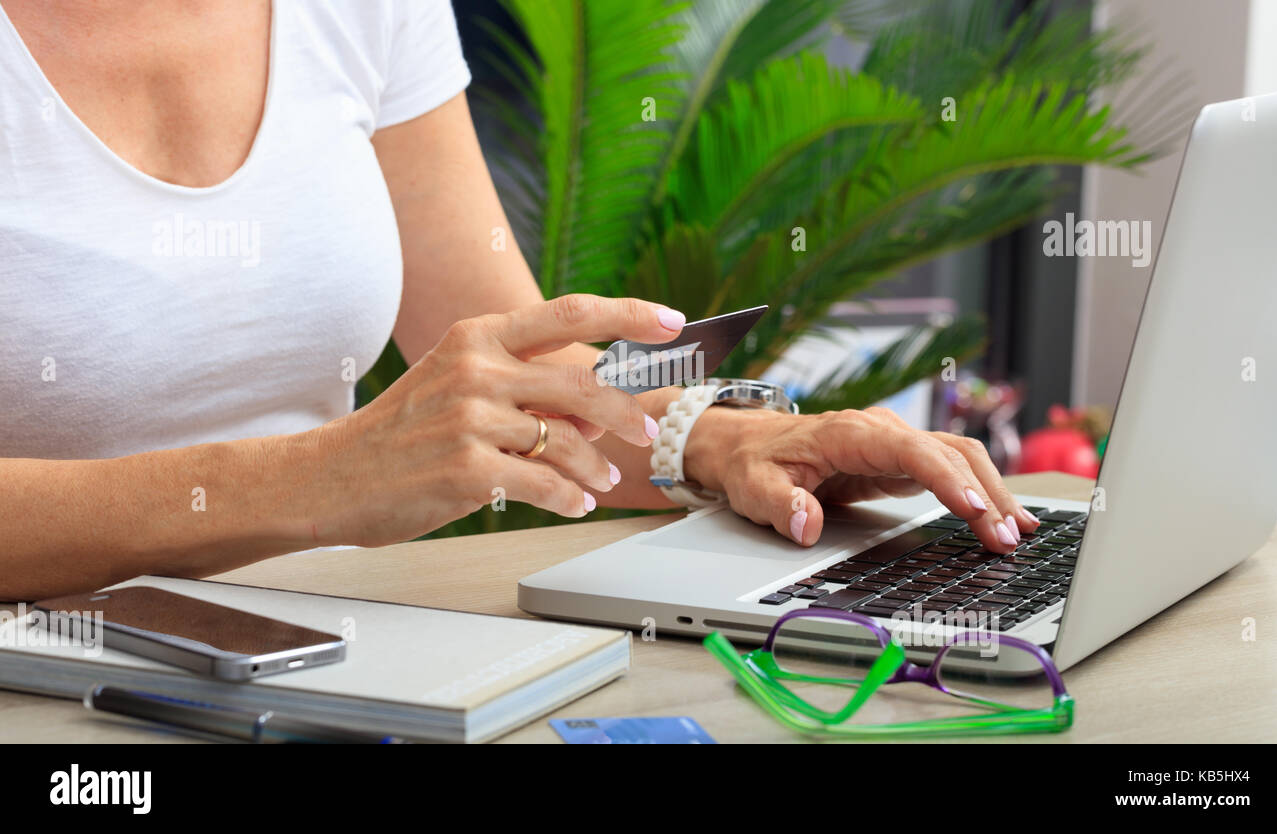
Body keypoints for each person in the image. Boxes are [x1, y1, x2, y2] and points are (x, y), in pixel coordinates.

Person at [0, 0, 1038, 601]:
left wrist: (717, 443)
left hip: (333, 650)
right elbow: (333, 476)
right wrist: (316, 480)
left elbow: (527, 369)